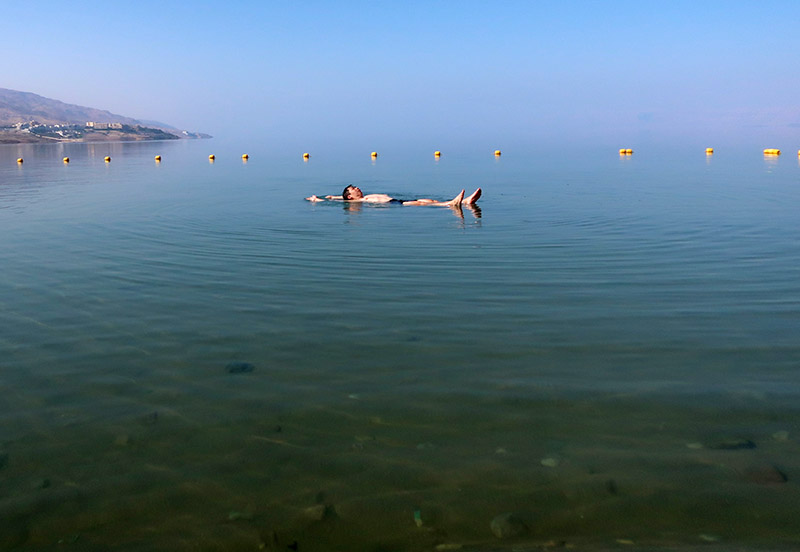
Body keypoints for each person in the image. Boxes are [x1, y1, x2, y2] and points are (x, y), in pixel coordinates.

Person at [305, 185, 481, 206]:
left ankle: (464, 202)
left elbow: (337, 198)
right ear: (350, 197)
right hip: (396, 204)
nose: (358, 189)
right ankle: (451, 204)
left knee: (429, 200)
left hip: (398, 201)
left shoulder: (356, 199)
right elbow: (341, 202)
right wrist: (317, 200)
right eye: (354, 189)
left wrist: (331, 197)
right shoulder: (358, 202)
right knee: (422, 203)